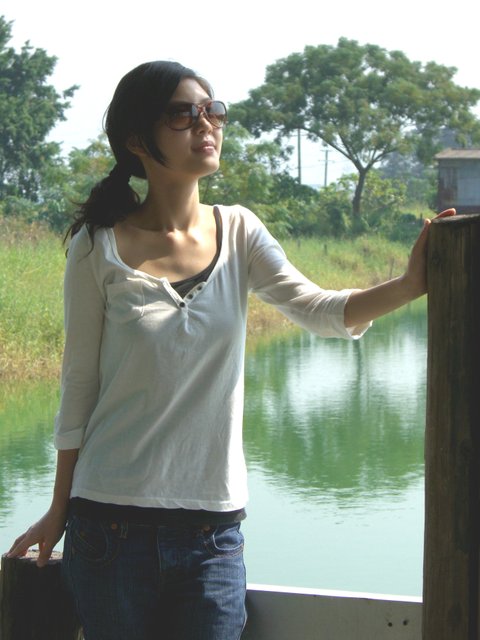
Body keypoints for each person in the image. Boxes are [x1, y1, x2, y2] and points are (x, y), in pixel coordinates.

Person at [8, 60, 454, 640]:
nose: (206, 124)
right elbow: (78, 387)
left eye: (212, 110)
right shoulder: (98, 247)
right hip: (109, 525)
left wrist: (410, 284)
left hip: (212, 533)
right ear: (137, 140)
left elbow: (318, 309)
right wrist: (59, 507)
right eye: (183, 114)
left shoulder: (239, 230)